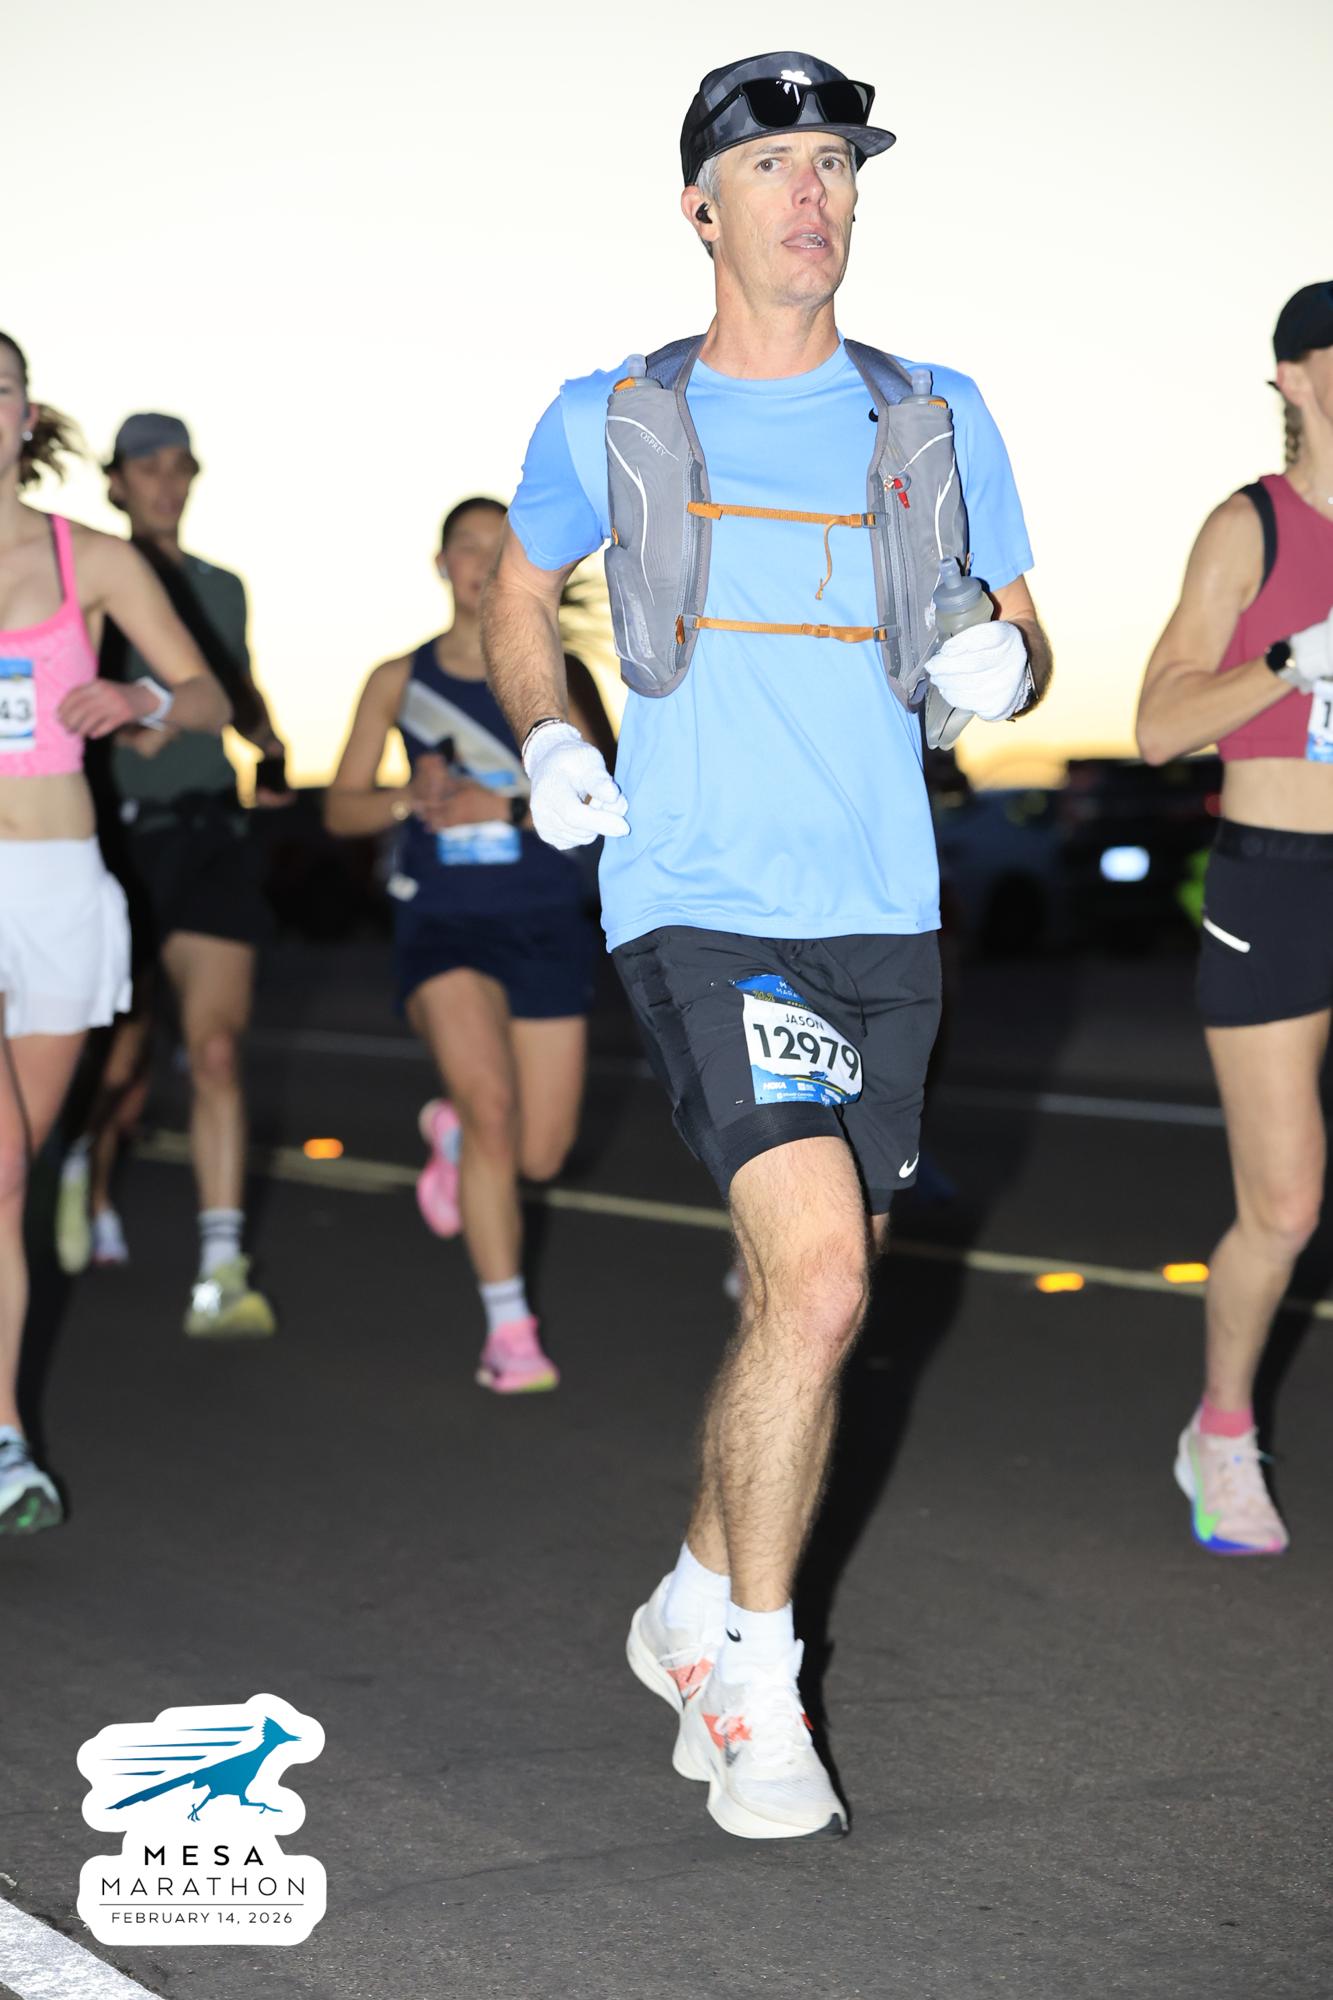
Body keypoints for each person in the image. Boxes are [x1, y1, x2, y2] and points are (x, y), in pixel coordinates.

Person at [483, 54, 1050, 1839]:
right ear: (699, 209)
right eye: (773, 165)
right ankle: (754, 1676)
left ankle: (683, 1597)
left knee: (812, 1297)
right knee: (816, 1286)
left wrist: (1008, 667)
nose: (813, 193)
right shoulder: (609, 413)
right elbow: (518, 587)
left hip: (882, 909)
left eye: (834, 163)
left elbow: (1018, 625)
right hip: (699, 897)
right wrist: (549, 734)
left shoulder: (933, 416)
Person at [0, 334, 230, 1532]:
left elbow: (208, 694)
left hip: (58, 882)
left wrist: (139, 695)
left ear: (24, 413)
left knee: (11, 1176)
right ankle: (8, 1445)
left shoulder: (85, 556)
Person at [325, 498, 613, 1392]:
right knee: (492, 1107)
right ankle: (507, 1330)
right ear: (441, 562)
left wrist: (510, 804)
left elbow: (605, 796)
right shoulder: (397, 679)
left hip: (542, 921)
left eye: (500, 550)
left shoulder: (559, 672)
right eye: (466, 547)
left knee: (539, 1155)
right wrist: (407, 798)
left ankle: (449, 1136)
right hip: (443, 923)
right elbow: (339, 810)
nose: (482, 564)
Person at [1136, 281, 1333, 1557]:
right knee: (1285, 1205)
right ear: (1293, 380)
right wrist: (1285, 662)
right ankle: (1218, 1431)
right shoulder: (1248, 526)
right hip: (1277, 883)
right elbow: (1158, 724)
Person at [55, 413, 291, 1337]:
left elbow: (234, 690)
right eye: (146, 467)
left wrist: (269, 750)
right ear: (114, 483)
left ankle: (220, 1272)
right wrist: (125, 726)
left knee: (217, 1050)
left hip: (209, 833)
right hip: (119, 837)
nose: (166, 481)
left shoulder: (220, 588)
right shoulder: (84, 578)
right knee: (117, 1059)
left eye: (179, 466)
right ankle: (83, 1166)